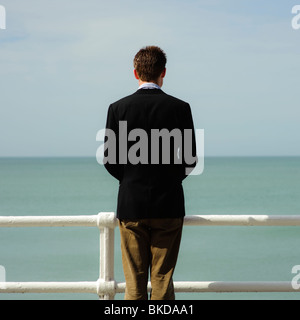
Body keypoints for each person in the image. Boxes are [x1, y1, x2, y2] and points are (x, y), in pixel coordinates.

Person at [104, 46, 197, 300]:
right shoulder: (180, 108)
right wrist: (166, 181)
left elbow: (110, 161)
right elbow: (190, 161)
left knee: (134, 282)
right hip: (169, 204)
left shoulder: (117, 108)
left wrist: (132, 180)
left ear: (135, 73)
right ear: (163, 72)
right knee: (162, 281)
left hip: (131, 204)